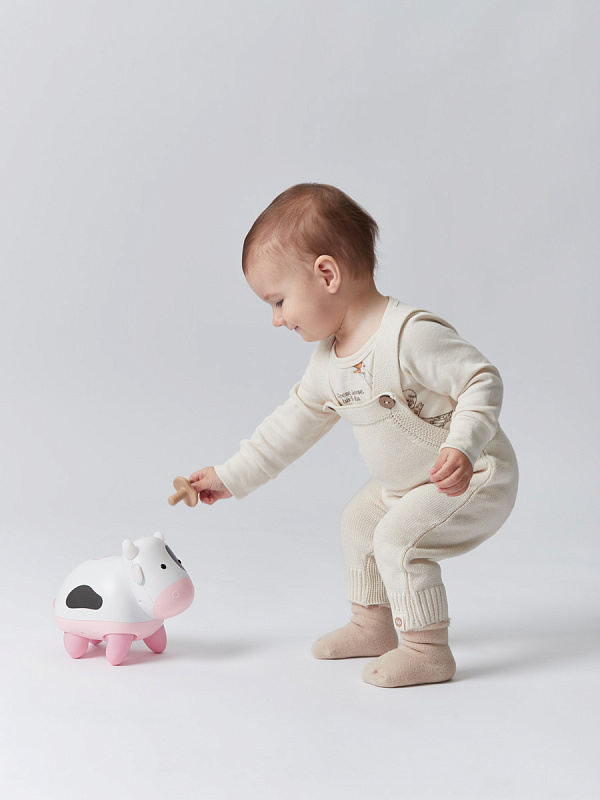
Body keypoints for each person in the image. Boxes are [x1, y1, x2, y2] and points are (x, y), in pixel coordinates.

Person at [188, 183, 518, 688]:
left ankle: (427, 650)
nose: (276, 320)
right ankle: (371, 625)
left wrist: (463, 444)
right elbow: (287, 429)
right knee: (359, 522)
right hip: (407, 485)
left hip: (473, 476)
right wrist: (229, 476)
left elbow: (481, 379)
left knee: (396, 539)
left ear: (327, 274)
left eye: (278, 301)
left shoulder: (409, 334)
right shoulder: (327, 363)